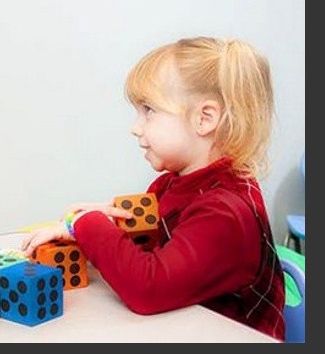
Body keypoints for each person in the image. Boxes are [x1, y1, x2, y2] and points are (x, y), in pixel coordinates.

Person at [21, 36, 286, 341]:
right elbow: (148, 250)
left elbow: (148, 288)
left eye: (148, 110)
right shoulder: (173, 183)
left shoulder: (224, 213)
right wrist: (88, 230)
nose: (135, 127)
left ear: (204, 119)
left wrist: (88, 224)